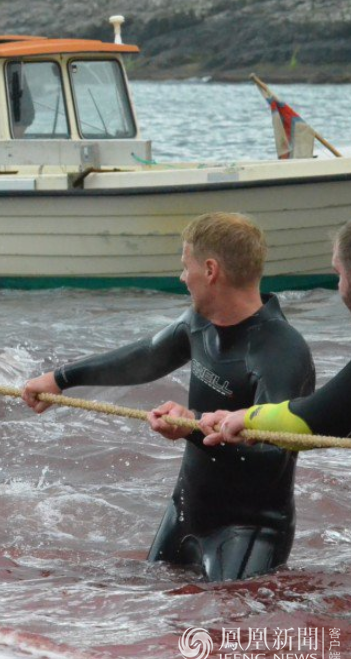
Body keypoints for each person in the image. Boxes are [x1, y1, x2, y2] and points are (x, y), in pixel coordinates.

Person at [21, 212, 315, 582]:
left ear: (210, 270)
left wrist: (191, 429)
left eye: (184, 265)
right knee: (153, 619)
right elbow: (145, 357)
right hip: (184, 514)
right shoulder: (199, 323)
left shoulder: (281, 352)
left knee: (233, 635)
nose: (181, 278)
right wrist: (60, 379)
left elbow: (273, 457)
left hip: (247, 531)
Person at [198, 221, 351, 445]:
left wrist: (248, 418)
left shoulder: (283, 345)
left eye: (338, 273)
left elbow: (310, 421)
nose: (339, 287)